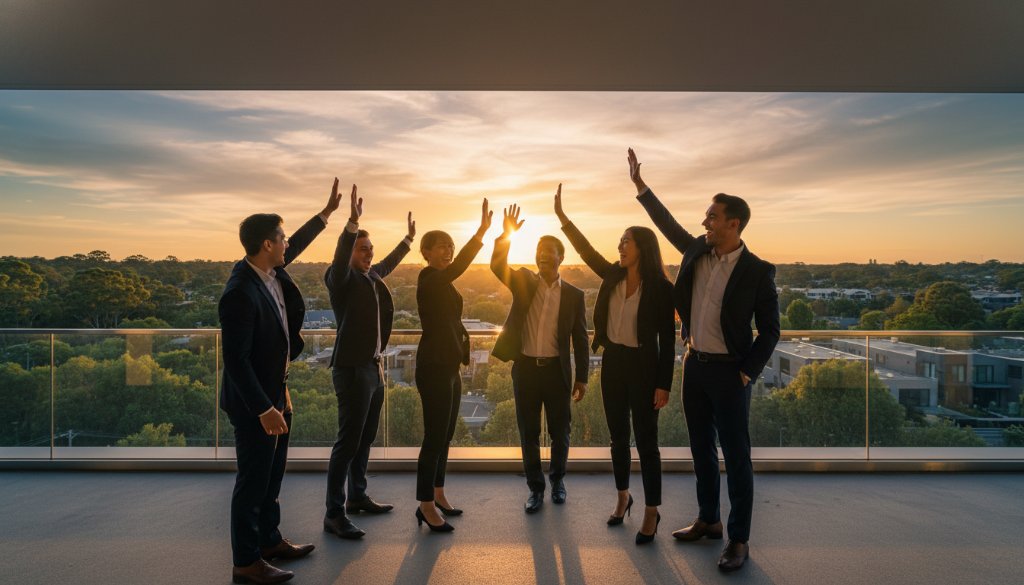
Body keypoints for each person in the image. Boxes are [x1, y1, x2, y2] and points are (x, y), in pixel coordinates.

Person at [629, 148, 780, 572]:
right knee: (700, 450)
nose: (704, 222)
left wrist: (748, 371)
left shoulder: (758, 271)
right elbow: (667, 223)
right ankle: (709, 520)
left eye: (712, 217)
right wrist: (641, 188)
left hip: (732, 373)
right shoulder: (697, 252)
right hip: (694, 366)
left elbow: (770, 331)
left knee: (736, 457)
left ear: (734, 223)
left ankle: (738, 539)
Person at [219, 179, 342, 584]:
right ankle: (246, 562)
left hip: (277, 391)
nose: (288, 244)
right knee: (252, 482)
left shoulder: (269, 271)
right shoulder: (239, 291)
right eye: (282, 239)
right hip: (257, 403)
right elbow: (235, 363)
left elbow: (300, 242)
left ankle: (270, 541)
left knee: (272, 477)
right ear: (266, 245)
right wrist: (264, 409)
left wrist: (325, 215)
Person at [554, 183, 676, 545]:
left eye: (626, 241)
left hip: (644, 366)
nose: (620, 246)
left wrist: (664, 384)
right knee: (618, 438)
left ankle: (652, 511)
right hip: (614, 363)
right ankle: (623, 497)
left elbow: (667, 341)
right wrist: (564, 219)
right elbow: (586, 250)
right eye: (620, 241)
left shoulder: (660, 287)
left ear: (643, 248)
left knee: (647, 441)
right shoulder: (612, 276)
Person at [322, 185, 416, 538]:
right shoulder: (340, 279)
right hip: (351, 370)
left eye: (370, 250)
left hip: (374, 368)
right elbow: (340, 257)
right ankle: (333, 514)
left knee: (365, 438)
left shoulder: (371, 276)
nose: (369, 254)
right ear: (349, 253)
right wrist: (351, 225)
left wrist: (407, 241)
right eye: (363, 249)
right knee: (347, 442)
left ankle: (357, 497)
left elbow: (387, 263)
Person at [490, 203, 589, 514]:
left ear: (561, 257)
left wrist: (582, 377)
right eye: (539, 250)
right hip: (526, 371)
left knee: (561, 432)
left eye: (549, 251)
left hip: (557, 374)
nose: (543, 255)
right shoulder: (523, 281)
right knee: (529, 432)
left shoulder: (574, 295)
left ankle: (558, 481)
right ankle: (536, 488)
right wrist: (506, 234)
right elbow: (496, 264)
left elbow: (580, 339)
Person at [413, 198, 493, 532]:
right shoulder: (428, 278)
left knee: (444, 434)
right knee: (434, 436)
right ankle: (425, 504)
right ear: (427, 252)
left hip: (449, 366)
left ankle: (438, 493)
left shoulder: (442, 282)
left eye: (451, 246)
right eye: (442, 247)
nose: (448, 251)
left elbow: (452, 320)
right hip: (432, 367)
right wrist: (481, 233)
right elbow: (459, 267)